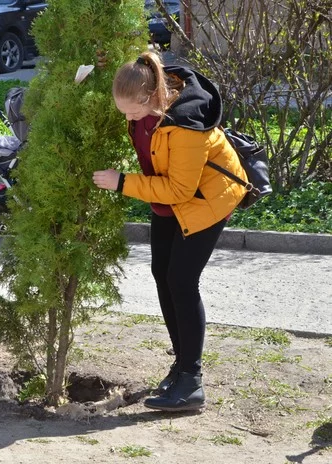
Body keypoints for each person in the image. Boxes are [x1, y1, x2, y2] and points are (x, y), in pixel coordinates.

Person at [92, 51, 248, 412]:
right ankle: (180, 365)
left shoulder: (185, 124)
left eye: (131, 112)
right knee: (161, 272)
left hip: (205, 200)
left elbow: (180, 190)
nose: (128, 119)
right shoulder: (144, 84)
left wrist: (122, 183)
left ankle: (191, 381)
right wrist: (102, 62)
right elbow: (139, 54)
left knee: (181, 280)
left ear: (151, 99)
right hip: (168, 194)